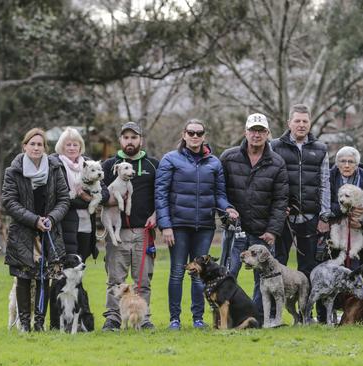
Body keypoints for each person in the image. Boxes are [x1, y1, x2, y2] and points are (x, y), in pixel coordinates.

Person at [156, 119, 238, 330]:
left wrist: (227, 208)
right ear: (184, 134)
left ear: (204, 136)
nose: (194, 136)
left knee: (199, 274)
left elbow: (219, 195)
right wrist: (165, 225)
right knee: (177, 272)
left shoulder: (214, 163)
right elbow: (161, 195)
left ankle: (198, 318)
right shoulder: (170, 160)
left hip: (204, 226)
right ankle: (175, 319)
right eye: (191, 133)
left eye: (199, 133)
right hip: (178, 226)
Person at [1, 128, 70, 332]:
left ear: (45, 148)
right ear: (25, 146)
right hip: (24, 232)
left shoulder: (55, 169)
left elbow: (64, 199)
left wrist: (51, 218)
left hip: (49, 231)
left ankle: (39, 323)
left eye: (40, 144)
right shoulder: (13, 171)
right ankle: (24, 324)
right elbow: (9, 201)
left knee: (44, 277)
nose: (36, 147)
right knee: (23, 277)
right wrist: (34, 220)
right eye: (32, 144)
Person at [220, 113, 289, 316]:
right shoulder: (228, 157)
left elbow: (280, 200)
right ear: (245, 132)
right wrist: (226, 208)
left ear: (268, 133)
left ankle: (257, 316)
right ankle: (227, 317)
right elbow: (219, 190)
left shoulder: (277, 163)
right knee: (229, 274)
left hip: (263, 233)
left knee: (264, 278)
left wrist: (273, 231)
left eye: (261, 131)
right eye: (252, 130)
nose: (256, 135)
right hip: (235, 230)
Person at [101, 121, 158, 331]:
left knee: (143, 280)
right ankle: (113, 317)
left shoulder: (153, 165)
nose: (130, 141)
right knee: (115, 279)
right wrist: (112, 201)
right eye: (126, 137)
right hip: (117, 232)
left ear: (140, 140)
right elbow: (100, 195)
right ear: (120, 140)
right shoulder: (109, 165)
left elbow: (161, 195)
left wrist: (156, 215)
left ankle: (143, 318)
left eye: (134, 137)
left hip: (144, 231)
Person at [270, 104, 330, 279]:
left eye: (305, 121)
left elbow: (324, 184)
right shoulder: (274, 147)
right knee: (278, 264)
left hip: (311, 218)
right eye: (297, 121)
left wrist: (325, 216)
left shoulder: (321, 149)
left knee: (309, 267)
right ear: (289, 123)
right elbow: (268, 180)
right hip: (283, 217)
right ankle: (275, 307)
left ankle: (306, 306)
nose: (301, 124)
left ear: (310, 123)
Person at [51, 127, 109, 262]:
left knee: (81, 262)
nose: (72, 148)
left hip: (86, 222)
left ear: (80, 146)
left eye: (75, 144)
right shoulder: (55, 164)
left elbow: (105, 193)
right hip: (64, 221)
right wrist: (88, 201)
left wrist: (89, 198)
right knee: (67, 264)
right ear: (62, 146)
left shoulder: (90, 164)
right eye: (68, 144)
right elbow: (60, 197)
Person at [328, 146, 363, 281]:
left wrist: (361, 223)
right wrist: (347, 212)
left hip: (358, 232)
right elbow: (323, 203)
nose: (346, 165)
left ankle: (358, 301)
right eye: (342, 161)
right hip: (334, 227)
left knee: (355, 273)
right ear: (337, 163)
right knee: (333, 273)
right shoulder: (328, 177)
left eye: (351, 162)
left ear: (357, 164)